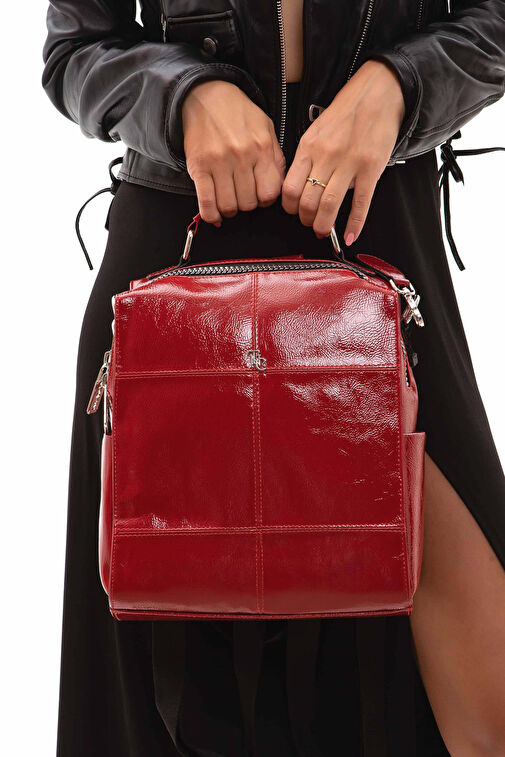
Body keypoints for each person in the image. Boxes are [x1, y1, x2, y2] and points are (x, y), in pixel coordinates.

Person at [42, 1, 505, 755]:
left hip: (378, 245)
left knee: (485, 705)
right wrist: (183, 95)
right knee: (168, 708)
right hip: (178, 279)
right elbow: (74, 51)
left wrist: (399, 84)